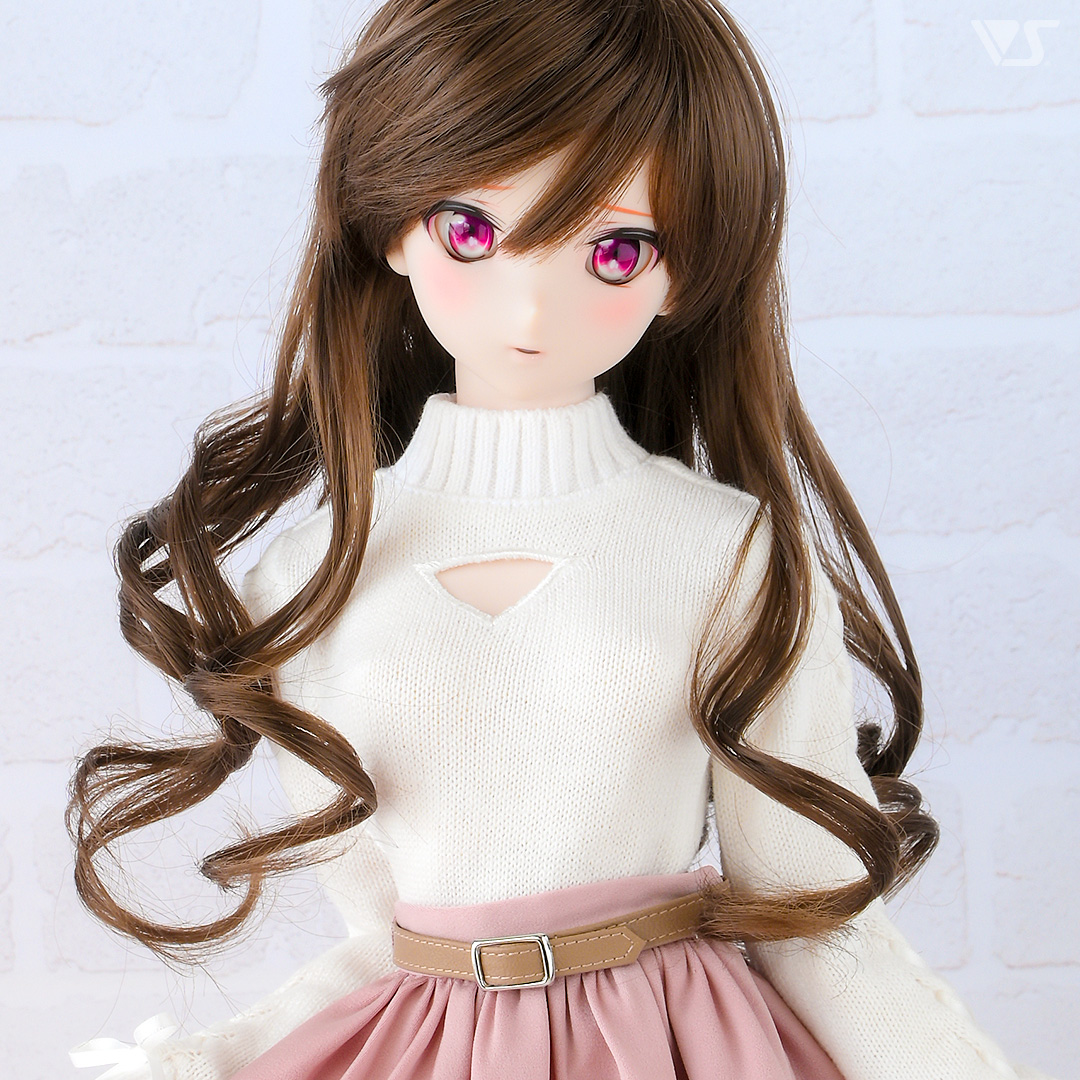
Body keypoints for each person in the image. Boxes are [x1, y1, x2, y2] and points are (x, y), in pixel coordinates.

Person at [67, 1, 1056, 1077]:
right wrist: (211, 1059)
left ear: (684, 273)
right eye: (471, 232)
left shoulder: (730, 556)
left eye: (616, 250)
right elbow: (382, 943)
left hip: (678, 1045)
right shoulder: (307, 580)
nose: (531, 306)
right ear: (392, 225)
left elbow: (810, 913)